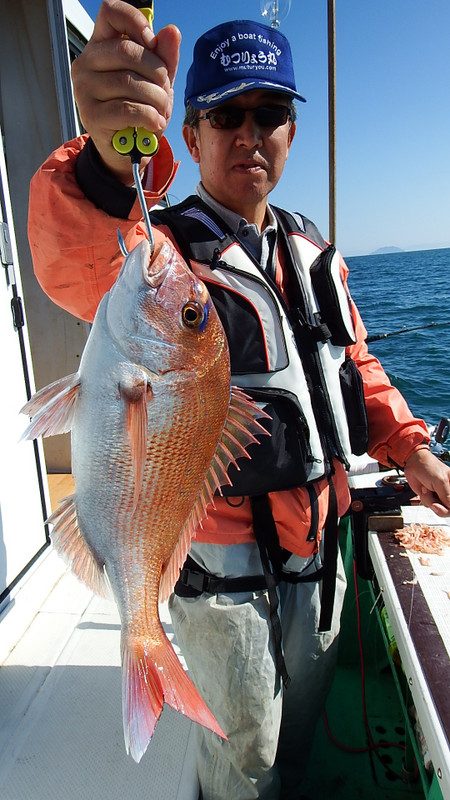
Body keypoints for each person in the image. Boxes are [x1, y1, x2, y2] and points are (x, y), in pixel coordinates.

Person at [28, 3, 450, 799]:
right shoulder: (158, 252)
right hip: (222, 572)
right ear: (189, 138)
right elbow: (73, 255)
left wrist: (412, 448)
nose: (249, 134)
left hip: (323, 551)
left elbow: (353, 368)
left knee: (302, 724)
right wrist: (108, 165)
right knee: (246, 754)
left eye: (270, 113)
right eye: (226, 116)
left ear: (292, 131)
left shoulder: (314, 251)